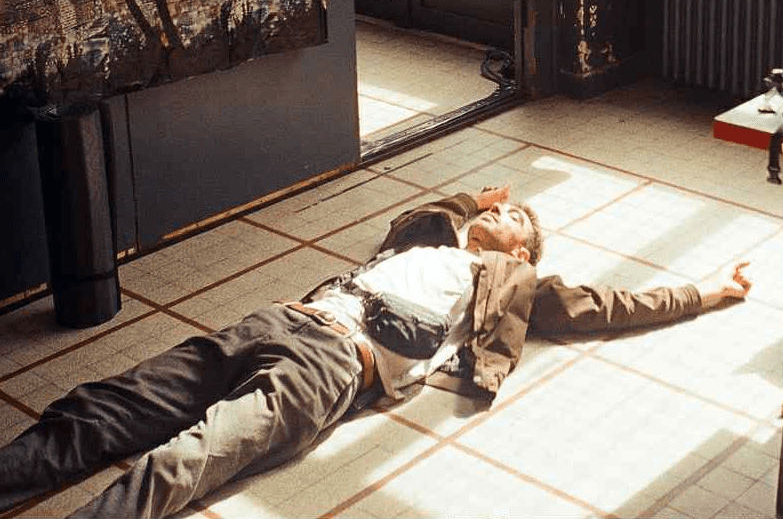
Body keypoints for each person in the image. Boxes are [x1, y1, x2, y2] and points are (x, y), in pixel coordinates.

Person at [0, 186, 751, 519]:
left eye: (519, 219)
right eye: (501, 208)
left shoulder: (508, 279)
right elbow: (421, 212)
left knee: (187, 459)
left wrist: (707, 290)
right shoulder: (429, 236)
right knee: (96, 410)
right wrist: (473, 200)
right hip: (276, 321)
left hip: (336, 362)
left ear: (522, 250)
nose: (506, 213)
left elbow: (610, 305)